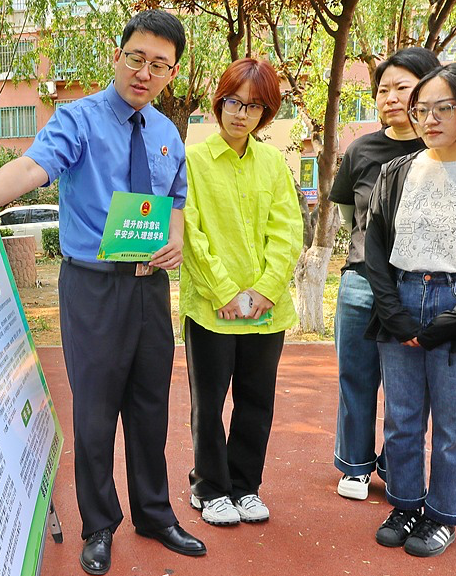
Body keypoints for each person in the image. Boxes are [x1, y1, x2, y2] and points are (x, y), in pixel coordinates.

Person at [0, 9, 205, 575]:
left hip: (150, 288)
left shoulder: (166, 133)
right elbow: (31, 167)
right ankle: (99, 525)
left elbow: (176, 199)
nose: (144, 73)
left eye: (159, 65)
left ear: (171, 73)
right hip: (93, 286)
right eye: (136, 58)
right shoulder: (77, 119)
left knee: (150, 407)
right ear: (117, 56)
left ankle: (154, 512)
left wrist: (173, 242)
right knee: (97, 412)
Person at [363, 61, 456, 558]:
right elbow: (374, 248)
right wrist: (397, 315)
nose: (428, 119)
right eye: (421, 109)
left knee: (455, 426)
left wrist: (442, 326)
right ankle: (406, 503)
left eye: (443, 108)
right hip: (401, 298)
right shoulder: (398, 171)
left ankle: (444, 513)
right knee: (402, 418)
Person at [179, 58, 302, 527]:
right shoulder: (194, 160)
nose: (240, 113)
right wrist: (226, 292)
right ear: (219, 102)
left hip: (266, 311)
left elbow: (288, 229)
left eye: (253, 106)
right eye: (233, 101)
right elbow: (191, 231)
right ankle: (209, 488)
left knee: (256, 400)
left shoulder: (273, 162)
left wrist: (267, 290)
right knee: (208, 403)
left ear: (265, 114)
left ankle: (245, 485)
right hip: (213, 307)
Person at [329, 47, 441, 501]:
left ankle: (399, 464)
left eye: (402, 87)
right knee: (355, 376)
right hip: (359, 283)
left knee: (409, 386)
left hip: (417, 287)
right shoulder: (361, 150)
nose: (390, 97)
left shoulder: (442, 148)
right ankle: (355, 465)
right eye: (382, 89)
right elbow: (346, 214)